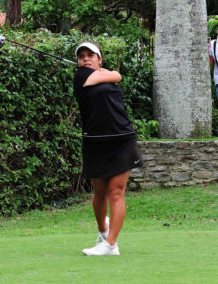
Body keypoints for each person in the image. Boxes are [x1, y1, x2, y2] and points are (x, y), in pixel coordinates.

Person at [73, 42, 143, 256]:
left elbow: (114, 76)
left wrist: (110, 72)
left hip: (122, 139)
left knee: (115, 192)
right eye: (82, 56)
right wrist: (110, 72)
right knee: (99, 193)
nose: (86, 58)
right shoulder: (80, 77)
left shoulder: (99, 74)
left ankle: (111, 244)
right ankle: (103, 231)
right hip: (95, 142)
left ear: (99, 59)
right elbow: (116, 76)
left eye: (91, 55)